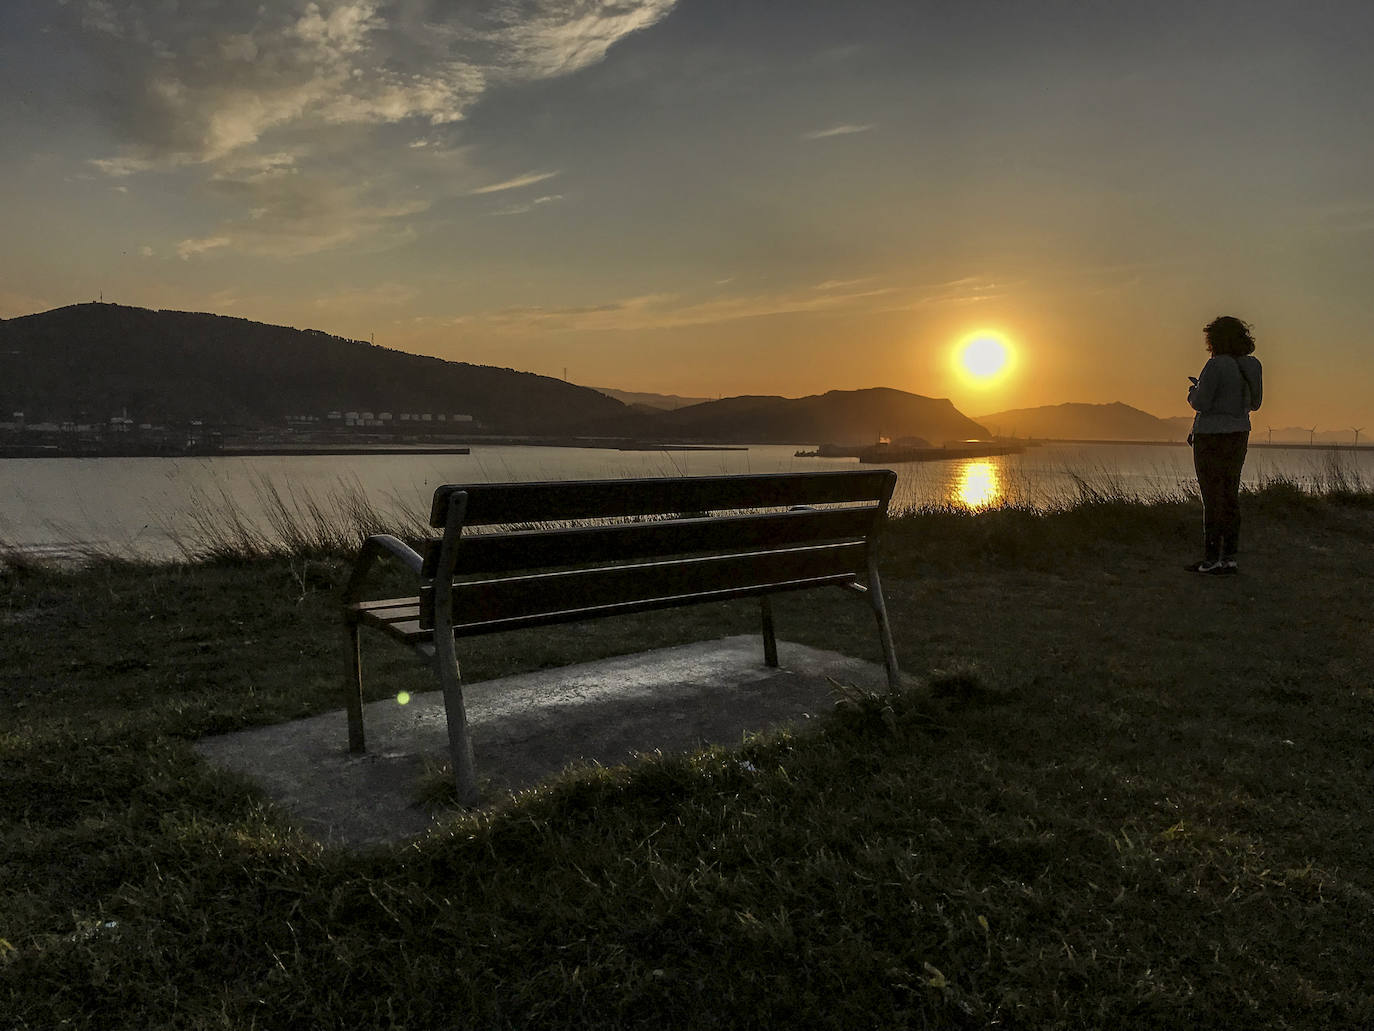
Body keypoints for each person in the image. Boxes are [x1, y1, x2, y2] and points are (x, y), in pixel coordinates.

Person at [1186, 315, 1263, 574]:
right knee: (1230, 494)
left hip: (1211, 436)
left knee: (1211, 495)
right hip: (1239, 434)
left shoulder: (1216, 365)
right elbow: (1255, 403)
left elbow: (1202, 403)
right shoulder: (1252, 366)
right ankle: (1229, 557)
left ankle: (1210, 558)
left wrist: (1192, 393)